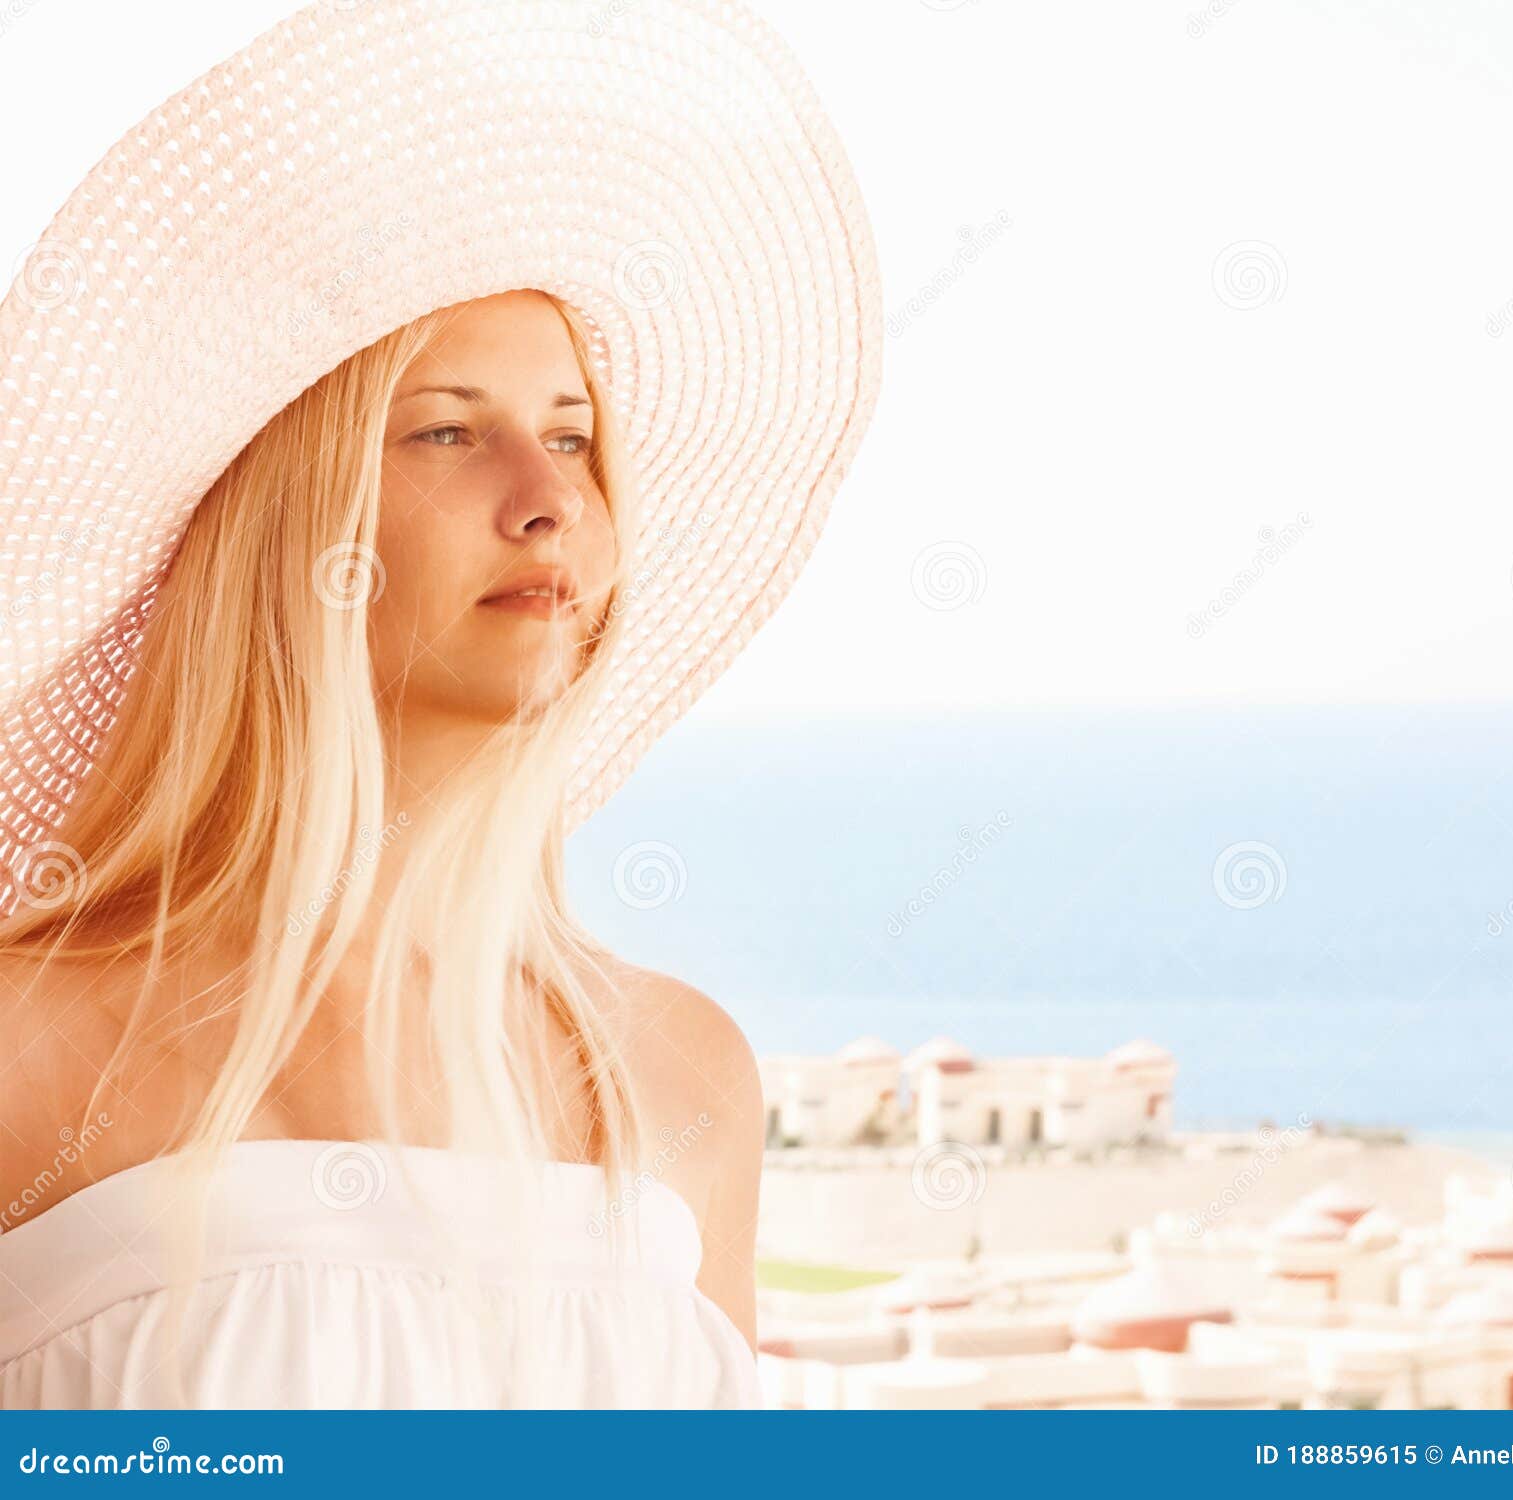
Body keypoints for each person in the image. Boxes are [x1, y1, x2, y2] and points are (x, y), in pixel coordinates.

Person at [0, 0, 880, 1409]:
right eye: (450, 431)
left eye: (576, 437)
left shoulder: (674, 1076)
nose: (551, 506)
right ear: (291, 533)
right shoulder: (28, 1047)